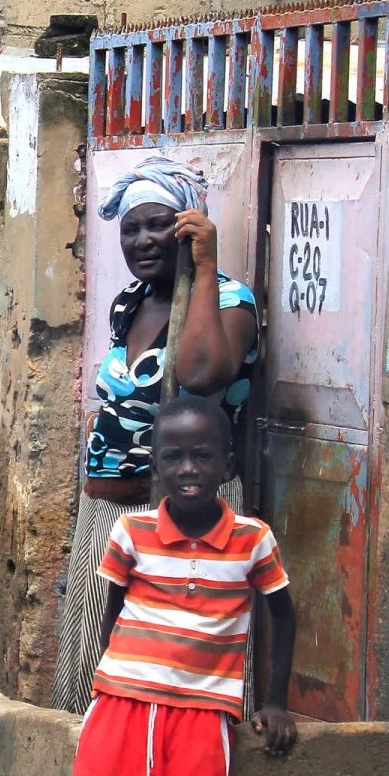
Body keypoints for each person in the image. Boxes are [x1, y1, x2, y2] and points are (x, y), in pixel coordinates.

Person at [33, 396, 298, 776]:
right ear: (155, 466)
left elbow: (282, 615)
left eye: (202, 456)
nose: (187, 470)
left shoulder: (253, 540)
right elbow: (106, 613)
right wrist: (104, 681)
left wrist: (274, 699)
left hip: (204, 718)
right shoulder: (133, 532)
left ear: (226, 462)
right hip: (122, 707)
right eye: (173, 457)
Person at [52, 156, 261, 714]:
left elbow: (199, 375)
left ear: (189, 226)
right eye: (130, 228)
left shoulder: (229, 302)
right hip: (107, 520)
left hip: (179, 526)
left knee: (163, 677)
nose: (143, 240)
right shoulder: (131, 302)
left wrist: (206, 266)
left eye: (159, 224)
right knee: (95, 676)